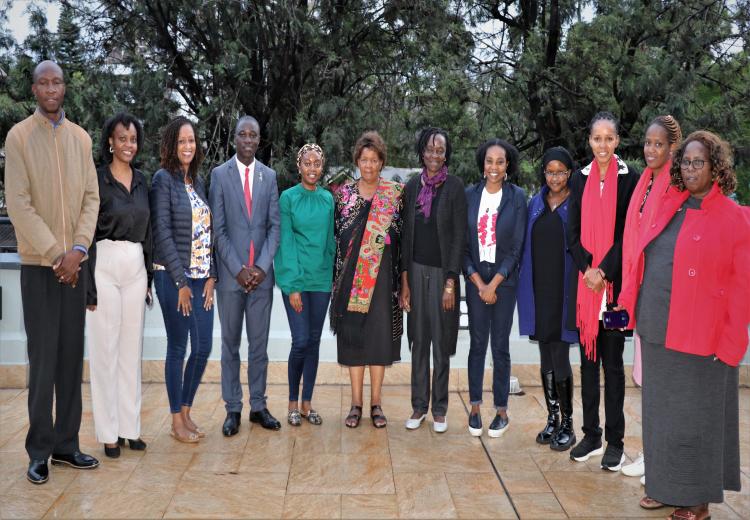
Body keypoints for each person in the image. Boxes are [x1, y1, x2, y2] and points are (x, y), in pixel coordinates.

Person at [618, 131, 748, 520]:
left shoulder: (734, 217)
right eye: (686, 162)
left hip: (702, 339)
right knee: (661, 417)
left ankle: (696, 501)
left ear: (716, 168)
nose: (690, 169)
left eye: (698, 162)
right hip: (658, 329)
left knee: (694, 421)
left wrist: (730, 343)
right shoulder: (670, 205)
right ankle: (664, 486)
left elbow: (741, 288)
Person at [5, 60, 100, 484]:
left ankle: (66, 445)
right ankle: (39, 450)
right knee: (43, 361)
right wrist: (55, 254)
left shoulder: (81, 138)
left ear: (64, 88)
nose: (50, 88)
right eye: (43, 82)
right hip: (39, 266)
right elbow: (19, 203)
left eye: (56, 82)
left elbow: (91, 198)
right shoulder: (19, 137)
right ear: (34, 89)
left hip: (75, 266)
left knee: (70, 360)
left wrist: (78, 250)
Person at [566, 111, 638, 470]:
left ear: (618, 141)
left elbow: (629, 233)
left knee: (613, 367)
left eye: (609, 138)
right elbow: (572, 232)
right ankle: (591, 435)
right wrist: (588, 271)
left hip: (614, 290)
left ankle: (615, 442)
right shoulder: (579, 179)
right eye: (597, 138)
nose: (603, 145)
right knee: (588, 365)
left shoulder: (630, 179)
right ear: (589, 141)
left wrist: (605, 272)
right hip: (586, 289)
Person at [618, 115, 682, 479]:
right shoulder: (646, 180)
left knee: (662, 383)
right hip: (642, 290)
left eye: (659, 144)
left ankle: (662, 459)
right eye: (647, 142)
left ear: (673, 148)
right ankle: (650, 452)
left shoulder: (676, 185)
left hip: (663, 295)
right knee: (648, 381)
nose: (651, 149)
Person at [209, 115, 281, 436]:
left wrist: (261, 268)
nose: (248, 140)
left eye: (253, 135)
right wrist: (238, 270)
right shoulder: (219, 175)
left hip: (261, 279)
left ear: (259, 140)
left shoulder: (270, 176)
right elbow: (218, 229)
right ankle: (233, 408)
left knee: (259, 347)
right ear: (234, 138)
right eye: (243, 134)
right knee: (230, 345)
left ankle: (259, 406)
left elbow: (274, 228)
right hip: (231, 278)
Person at [85, 112, 152, 458]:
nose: (128, 144)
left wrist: (149, 278)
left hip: (136, 265)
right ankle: (109, 434)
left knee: (130, 351)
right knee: (105, 352)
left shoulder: (142, 181)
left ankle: (130, 428)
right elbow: (86, 231)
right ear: (110, 141)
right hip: (105, 265)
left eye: (133, 139)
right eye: (122, 138)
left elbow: (149, 232)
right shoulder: (97, 179)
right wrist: (88, 285)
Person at [331, 131, 403, 429]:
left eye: (374, 160)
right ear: (357, 161)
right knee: (354, 342)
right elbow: (336, 238)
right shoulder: (344, 195)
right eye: (364, 160)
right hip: (351, 281)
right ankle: (355, 404)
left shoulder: (394, 194)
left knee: (379, 340)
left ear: (382, 162)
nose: (369, 165)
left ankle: (376, 403)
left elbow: (403, 239)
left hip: (384, 280)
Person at [151, 116, 216, 443]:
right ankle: (176, 419)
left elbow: (208, 233)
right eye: (181, 141)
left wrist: (212, 275)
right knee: (178, 346)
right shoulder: (163, 180)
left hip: (202, 278)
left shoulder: (197, 181)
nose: (187, 146)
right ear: (171, 145)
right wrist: (181, 283)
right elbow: (162, 232)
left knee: (203, 347)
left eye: (191, 140)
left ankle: (186, 411)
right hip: (173, 278)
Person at [399, 127, 466, 433]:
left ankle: (439, 409)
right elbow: (405, 237)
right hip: (415, 271)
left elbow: (459, 238)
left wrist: (450, 282)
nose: (434, 155)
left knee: (440, 341)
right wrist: (405, 281)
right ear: (421, 152)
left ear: (446, 154)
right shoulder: (412, 186)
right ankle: (418, 406)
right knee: (418, 341)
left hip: (442, 276)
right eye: (429, 149)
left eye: (440, 150)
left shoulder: (454, 187)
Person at [463, 138, 527, 438]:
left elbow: (516, 247)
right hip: (476, 279)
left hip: (504, 281)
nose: (494, 167)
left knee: (500, 346)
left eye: (500, 162)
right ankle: (475, 408)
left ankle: (501, 411)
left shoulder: (517, 197)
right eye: (490, 161)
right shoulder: (469, 195)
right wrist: (479, 282)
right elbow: (463, 246)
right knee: (477, 344)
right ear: (483, 163)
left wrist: (495, 283)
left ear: (507, 165)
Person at [517, 146, 578, 451]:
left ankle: (568, 423)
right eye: (550, 172)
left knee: (560, 355)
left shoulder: (576, 204)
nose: (555, 178)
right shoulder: (536, 204)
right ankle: (552, 418)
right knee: (545, 355)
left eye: (561, 172)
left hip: (564, 291)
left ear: (570, 173)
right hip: (538, 290)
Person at [274, 144, 334, 426]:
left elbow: (330, 241)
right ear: (299, 166)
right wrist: (293, 285)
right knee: (300, 341)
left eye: (317, 163)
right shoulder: (288, 198)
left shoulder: (327, 199)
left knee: (313, 342)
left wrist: (332, 278)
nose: (312, 168)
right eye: (307, 163)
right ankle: (292, 403)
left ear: (322, 167)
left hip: (321, 282)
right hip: (296, 281)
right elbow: (285, 242)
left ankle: (307, 403)